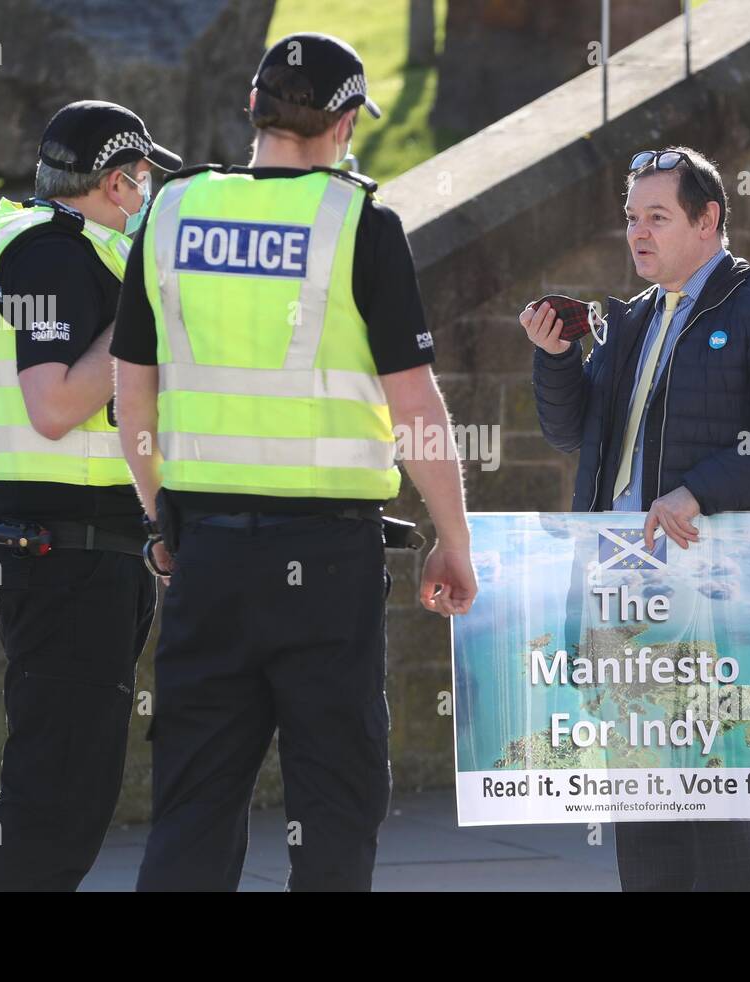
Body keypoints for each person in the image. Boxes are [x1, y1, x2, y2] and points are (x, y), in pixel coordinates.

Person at [112, 32, 477, 892]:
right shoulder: (360, 225)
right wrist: (452, 536)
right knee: (335, 803)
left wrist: (162, 516)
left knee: (194, 805)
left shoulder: (170, 212)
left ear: (253, 111)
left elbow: (132, 397)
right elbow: (415, 407)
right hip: (326, 563)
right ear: (346, 122)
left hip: (204, 553)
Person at [523, 146, 750, 891]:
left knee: (719, 797)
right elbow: (579, 437)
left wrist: (698, 491)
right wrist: (557, 359)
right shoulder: (629, 320)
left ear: (708, 219)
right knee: (643, 802)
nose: (638, 233)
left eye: (657, 217)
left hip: (719, 600)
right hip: (622, 592)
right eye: (632, 218)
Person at [0, 100, 182, 891]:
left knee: (70, 789)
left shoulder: (70, 247)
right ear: (118, 182)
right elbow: (53, 406)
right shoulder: (50, 254)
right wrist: (143, 310)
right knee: (55, 794)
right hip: (64, 556)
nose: (150, 188)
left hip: (83, 553)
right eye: (143, 175)